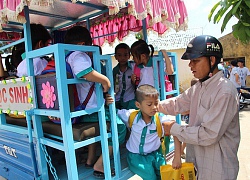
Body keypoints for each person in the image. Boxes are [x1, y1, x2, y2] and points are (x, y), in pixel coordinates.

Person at [160, 35, 240, 180]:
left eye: (195, 61)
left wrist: (174, 129)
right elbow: (178, 103)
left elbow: (209, 134)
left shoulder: (224, 91)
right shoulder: (199, 87)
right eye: (190, 61)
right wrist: (154, 106)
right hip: (198, 166)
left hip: (218, 170)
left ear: (212, 60)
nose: (191, 65)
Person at [64, 26, 126, 178]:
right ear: (83, 44)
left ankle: (91, 159)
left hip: (83, 108)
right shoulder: (78, 55)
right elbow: (83, 72)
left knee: (98, 128)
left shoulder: (67, 57)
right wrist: (105, 81)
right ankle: (101, 164)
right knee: (120, 127)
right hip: (91, 109)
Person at [116, 84, 181, 180]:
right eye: (149, 104)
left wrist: (177, 157)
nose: (154, 107)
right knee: (150, 177)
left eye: (156, 103)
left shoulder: (161, 118)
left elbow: (177, 132)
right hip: (136, 157)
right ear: (138, 105)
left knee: (165, 175)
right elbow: (114, 111)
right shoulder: (130, 116)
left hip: (156, 155)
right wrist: (109, 101)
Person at [113, 43, 137, 109]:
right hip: (118, 101)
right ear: (115, 57)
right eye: (119, 55)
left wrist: (134, 81)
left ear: (129, 56)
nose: (122, 58)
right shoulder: (114, 71)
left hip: (130, 100)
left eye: (125, 55)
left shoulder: (133, 67)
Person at [180, 78, 198, 159]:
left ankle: (182, 150)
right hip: (191, 118)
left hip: (192, 118)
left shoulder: (192, 94)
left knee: (189, 136)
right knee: (189, 136)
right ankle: (181, 151)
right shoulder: (192, 95)